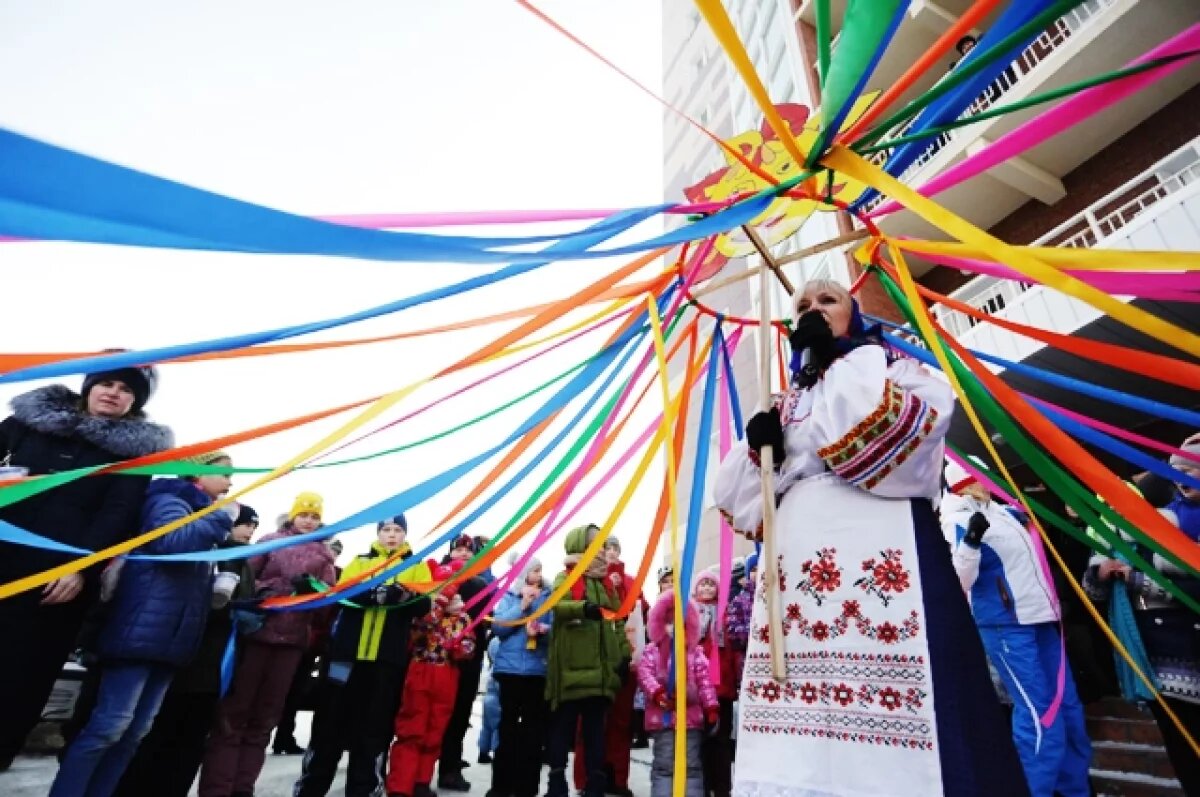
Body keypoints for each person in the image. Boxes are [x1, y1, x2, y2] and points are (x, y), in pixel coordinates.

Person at [714, 279, 1027, 797]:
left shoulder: (888, 368)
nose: (813, 311)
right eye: (803, 307)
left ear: (852, 313)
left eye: (827, 301)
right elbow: (746, 500)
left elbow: (871, 444)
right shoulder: (786, 402)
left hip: (882, 547)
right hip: (798, 565)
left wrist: (838, 365)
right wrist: (760, 446)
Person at [0, 363, 172, 770]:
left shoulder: (133, 454)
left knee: (20, 678)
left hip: (53, 584)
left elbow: (119, 513)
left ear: (135, 401)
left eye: (125, 389)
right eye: (106, 383)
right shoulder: (24, 426)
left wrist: (80, 569)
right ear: (88, 387)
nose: (113, 392)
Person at [50, 450, 237, 797]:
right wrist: (220, 520)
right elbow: (169, 542)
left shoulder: (200, 513)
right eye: (225, 474)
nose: (230, 482)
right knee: (108, 727)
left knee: (136, 731)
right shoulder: (169, 499)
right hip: (139, 631)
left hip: (169, 638)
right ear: (196, 473)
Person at [942, 460, 1091, 797]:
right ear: (963, 484)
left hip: (1040, 620)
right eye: (977, 480)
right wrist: (972, 542)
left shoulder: (1003, 513)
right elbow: (959, 580)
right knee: (1040, 717)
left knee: (1068, 709)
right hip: (1006, 626)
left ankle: (1075, 790)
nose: (985, 485)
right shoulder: (957, 519)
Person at [113, 503, 260, 797]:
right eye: (245, 523)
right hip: (182, 663)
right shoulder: (205, 554)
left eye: (254, 526)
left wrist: (250, 617)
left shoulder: (243, 563)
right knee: (156, 736)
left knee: (190, 743)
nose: (249, 530)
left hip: (216, 670)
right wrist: (226, 611)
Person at [199, 491, 337, 797]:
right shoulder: (271, 541)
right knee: (233, 714)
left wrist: (311, 592)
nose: (308, 521)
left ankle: (243, 787)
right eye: (304, 514)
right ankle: (217, 788)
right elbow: (245, 580)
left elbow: (328, 604)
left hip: (291, 643)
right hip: (257, 636)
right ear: (293, 514)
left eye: (314, 516)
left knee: (265, 718)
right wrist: (266, 592)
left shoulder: (324, 555)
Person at [294, 515, 433, 797]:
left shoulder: (415, 566)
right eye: (386, 530)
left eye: (397, 530)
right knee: (330, 721)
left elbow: (425, 603)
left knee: (374, 727)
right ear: (378, 533)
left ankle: (364, 789)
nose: (391, 535)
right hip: (346, 655)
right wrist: (371, 595)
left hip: (386, 659)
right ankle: (311, 786)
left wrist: (401, 596)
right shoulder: (360, 561)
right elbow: (342, 593)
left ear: (405, 534)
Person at [1083, 460, 1200, 795]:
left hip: (1188, 646)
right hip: (1155, 661)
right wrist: (1099, 574)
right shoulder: (1111, 537)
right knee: (1182, 747)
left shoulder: (1177, 527)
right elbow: (1093, 592)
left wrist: (1139, 580)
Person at [544, 524, 630, 797]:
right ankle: (556, 784)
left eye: (603, 545)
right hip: (571, 671)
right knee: (563, 730)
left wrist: (623, 656)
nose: (603, 550)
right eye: (597, 545)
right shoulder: (565, 577)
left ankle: (595, 784)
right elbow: (556, 605)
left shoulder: (606, 584)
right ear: (581, 546)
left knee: (595, 733)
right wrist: (583, 608)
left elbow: (617, 621)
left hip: (601, 675)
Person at [387, 563, 476, 797]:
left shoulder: (462, 617)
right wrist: (436, 608)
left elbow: (470, 647)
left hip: (447, 674)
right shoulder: (425, 610)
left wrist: (461, 646)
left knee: (436, 729)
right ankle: (399, 785)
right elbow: (414, 635)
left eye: (451, 586)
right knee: (411, 727)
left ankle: (421, 781)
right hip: (421, 669)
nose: (448, 591)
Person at [572, 536, 639, 797]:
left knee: (621, 723)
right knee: (590, 723)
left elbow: (639, 611)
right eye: (605, 548)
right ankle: (587, 777)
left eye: (615, 548)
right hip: (594, 661)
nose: (611, 553)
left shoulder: (631, 581)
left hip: (623, 659)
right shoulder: (587, 580)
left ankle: (617, 777)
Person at [637, 589, 719, 797]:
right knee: (664, 765)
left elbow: (705, 682)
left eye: (679, 623)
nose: (673, 628)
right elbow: (645, 675)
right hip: (663, 718)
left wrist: (711, 707)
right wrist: (658, 693)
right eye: (668, 622)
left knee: (691, 766)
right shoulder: (652, 651)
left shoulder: (695, 654)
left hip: (690, 720)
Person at [488, 556, 552, 797]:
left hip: (537, 671)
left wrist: (543, 630)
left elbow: (555, 629)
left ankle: (528, 787)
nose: (538, 573)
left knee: (533, 731)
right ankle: (502, 786)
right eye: (534, 569)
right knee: (507, 728)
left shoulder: (549, 597)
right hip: (510, 670)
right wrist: (522, 607)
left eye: (539, 569)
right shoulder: (508, 595)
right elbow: (498, 628)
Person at [438, 535, 491, 793]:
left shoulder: (481, 583)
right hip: (436, 657)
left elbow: (485, 620)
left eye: (469, 551)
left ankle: (450, 768)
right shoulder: (437, 578)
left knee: (460, 714)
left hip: (469, 658)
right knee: (434, 712)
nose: (464, 554)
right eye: (458, 549)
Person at [692, 570, 732, 797]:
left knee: (721, 740)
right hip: (698, 687)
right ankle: (703, 787)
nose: (707, 589)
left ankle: (723, 788)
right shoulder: (691, 615)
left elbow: (731, 650)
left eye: (711, 585)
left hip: (722, 686)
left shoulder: (725, 614)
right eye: (702, 585)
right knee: (701, 740)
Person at [478, 638, 501, 765]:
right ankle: (498, 751)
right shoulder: (501, 672)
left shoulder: (494, 641)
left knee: (486, 727)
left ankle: (483, 751)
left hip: (488, 698)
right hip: (498, 700)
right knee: (498, 727)